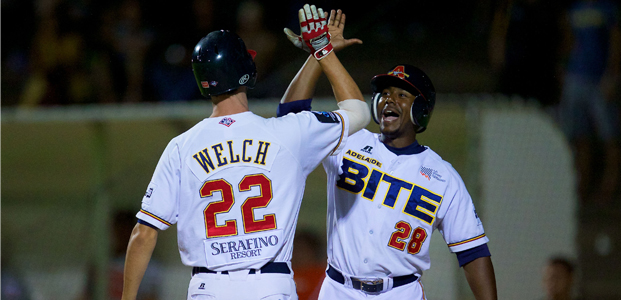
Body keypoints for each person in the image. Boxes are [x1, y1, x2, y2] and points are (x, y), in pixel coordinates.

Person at [121, 4, 370, 300]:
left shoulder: (181, 146)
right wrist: (322, 51)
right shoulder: (286, 134)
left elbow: (144, 233)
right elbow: (358, 112)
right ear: (245, 72)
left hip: (208, 288)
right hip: (269, 286)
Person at [278, 9, 497, 299]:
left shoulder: (443, 176)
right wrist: (318, 53)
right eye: (384, 93)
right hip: (338, 289)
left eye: (402, 95)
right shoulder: (348, 139)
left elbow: (473, 252)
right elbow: (291, 119)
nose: (389, 99)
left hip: (400, 291)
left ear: (421, 110)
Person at [557, 0, 621, 205]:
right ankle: (581, 186)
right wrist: (563, 66)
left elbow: (616, 41)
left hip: (598, 79)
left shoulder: (608, 8)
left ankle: (610, 186)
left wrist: (612, 75)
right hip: (575, 76)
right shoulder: (574, 9)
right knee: (579, 134)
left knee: (609, 135)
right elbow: (568, 40)